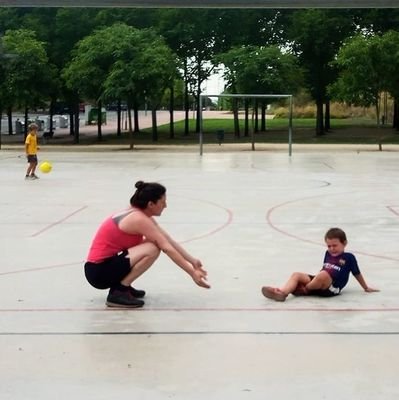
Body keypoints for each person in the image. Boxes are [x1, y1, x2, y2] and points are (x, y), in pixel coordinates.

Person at [84, 180, 210, 308]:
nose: (165, 206)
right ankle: (120, 291)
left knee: (155, 242)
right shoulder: (138, 219)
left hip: (104, 267)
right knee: (153, 248)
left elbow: (167, 239)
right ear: (150, 204)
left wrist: (192, 261)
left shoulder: (138, 213)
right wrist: (192, 273)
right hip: (99, 272)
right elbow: (167, 248)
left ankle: (122, 286)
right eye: (162, 202)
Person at [261, 227, 379, 302]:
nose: (331, 248)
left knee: (323, 275)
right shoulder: (327, 253)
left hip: (332, 288)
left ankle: (305, 290)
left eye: (335, 245)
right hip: (320, 282)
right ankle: (282, 293)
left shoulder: (349, 257)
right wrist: (315, 280)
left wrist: (365, 287)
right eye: (329, 246)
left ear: (345, 243)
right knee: (296, 274)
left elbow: (357, 273)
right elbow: (324, 267)